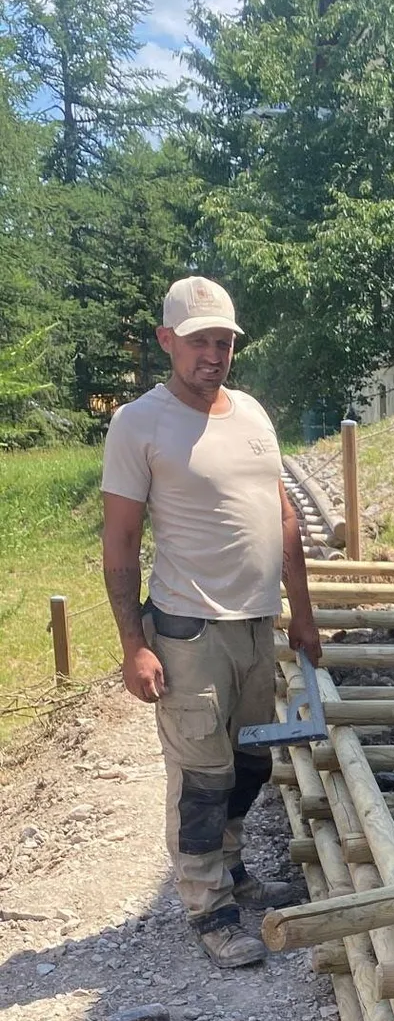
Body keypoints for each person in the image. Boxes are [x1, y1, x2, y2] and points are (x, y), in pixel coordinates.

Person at [100, 275, 322, 970]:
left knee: (253, 759)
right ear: (169, 341)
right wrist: (134, 645)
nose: (214, 354)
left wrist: (303, 613)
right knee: (201, 776)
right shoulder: (140, 422)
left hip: (257, 624)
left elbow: (282, 515)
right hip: (188, 629)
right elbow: (119, 544)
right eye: (200, 341)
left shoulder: (253, 413)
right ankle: (209, 909)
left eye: (224, 342)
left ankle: (230, 867)